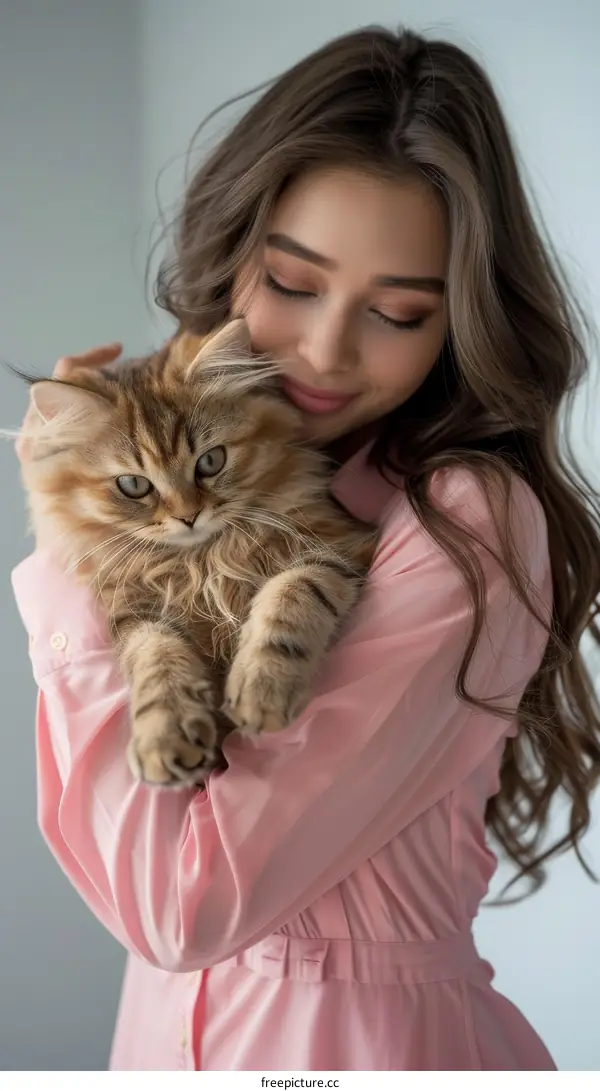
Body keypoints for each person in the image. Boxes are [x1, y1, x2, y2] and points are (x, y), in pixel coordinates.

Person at [11, 25, 600, 1072]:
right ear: (234, 256)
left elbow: (180, 905)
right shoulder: (205, 455)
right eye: (291, 282)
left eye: (398, 311)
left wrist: (70, 568)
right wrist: (80, 507)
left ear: (458, 321)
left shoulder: (464, 518)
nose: (326, 351)